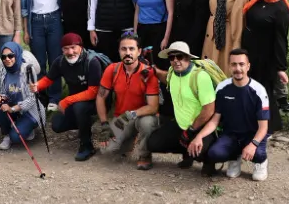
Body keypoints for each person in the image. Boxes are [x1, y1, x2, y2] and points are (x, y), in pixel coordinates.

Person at [193, 49, 270, 181]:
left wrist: (252, 145)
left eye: (241, 64)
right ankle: (235, 158)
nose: (237, 68)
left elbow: (263, 127)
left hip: (252, 135)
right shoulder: (222, 88)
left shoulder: (259, 91)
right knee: (214, 153)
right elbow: (214, 121)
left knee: (258, 156)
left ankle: (261, 162)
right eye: (234, 64)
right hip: (231, 135)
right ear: (229, 66)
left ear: (248, 66)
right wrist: (199, 136)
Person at [33, 33, 105, 161]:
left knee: (79, 108)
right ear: (62, 50)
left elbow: (93, 92)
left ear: (80, 47)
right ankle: (85, 124)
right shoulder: (60, 62)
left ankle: (87, 145)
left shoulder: (92, 62)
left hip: (97, 103)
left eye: (73, 47)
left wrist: (66, 100)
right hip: (75, 102)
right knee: (57, 125)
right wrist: (37, 86)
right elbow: (49, 79)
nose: (70, 52)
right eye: (66, 48)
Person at [145, 41, 217, 170]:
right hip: (181, 125)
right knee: (153, 143)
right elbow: (166, 77)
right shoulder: (173, 72)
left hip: (201, 127)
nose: (176, 60)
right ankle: (187, 153)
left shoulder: (200, 76)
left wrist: (191, 130)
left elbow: (209, 110)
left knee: (200, 151)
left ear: (188, 58)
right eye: (172, 57)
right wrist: (154, 71)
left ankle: (208, 161)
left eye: (180, 57)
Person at [96, 31, 160, 170]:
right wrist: (104, 123)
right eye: (124, 49)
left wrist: (131, 114)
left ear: (139, 51)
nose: (128, 52)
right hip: (121, 118)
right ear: (119, 51)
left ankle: (144, 154)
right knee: (107, 150)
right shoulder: (112, 69)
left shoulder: (148, 73)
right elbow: (100, 97)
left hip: (142, 116)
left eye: (132, 49)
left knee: (147, 123)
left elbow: (153, 107)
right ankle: (129, 141)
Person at [241, 0, 289, 134]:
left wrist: (280, 67)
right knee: (252, 90)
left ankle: (269, 126)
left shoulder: (280, 9)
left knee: (265, 92)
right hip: (252, 54)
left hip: (267, 56)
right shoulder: (257, 1)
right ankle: (256, 123)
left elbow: (280, 40)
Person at [22, 0, 63, 111]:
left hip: (54, 21)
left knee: (55, 60)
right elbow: (24, 8)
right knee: (38, 63)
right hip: (36, 23)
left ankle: (55, 98)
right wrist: (26, 30)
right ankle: (41, 97)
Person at [0, 42, 43, 150]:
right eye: (4, 57)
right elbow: (2, 92)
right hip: (12, 106)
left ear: (17, 54)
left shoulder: (28, 70)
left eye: (11, 55)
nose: (7, 59)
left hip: (29, 110)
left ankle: (26, 128)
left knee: (16, 138)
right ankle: (7, 134)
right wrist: (1, 98)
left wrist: (12, 109)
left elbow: (32, 98)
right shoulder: (2, 71)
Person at [203, 0, 249, 71]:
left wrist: (236, 46)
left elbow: (239, 21)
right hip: (211, 36)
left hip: (228, 37)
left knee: (225, 71)